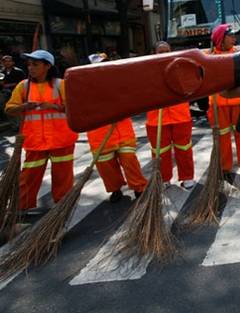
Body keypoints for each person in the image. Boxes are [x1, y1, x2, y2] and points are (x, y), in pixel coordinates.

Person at [4, 50, 79, 211]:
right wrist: (23, 106)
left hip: (61, 140)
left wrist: (54, 106)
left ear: (48, 66)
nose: (30, 68)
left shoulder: (61, 85)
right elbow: (9, 110)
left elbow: (74, 109)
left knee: (63, 179)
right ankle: (20, 210)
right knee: (28, 178)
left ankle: (62, 210)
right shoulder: (23, 86)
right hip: (35, 142)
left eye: (35, 64)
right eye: (29, 65)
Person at [83, 54, 147, 203]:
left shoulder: (119, 82)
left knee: (130, 160)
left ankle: (139, 187)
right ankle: (115, 189)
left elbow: (132, 101)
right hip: (100, 134)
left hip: (123, 131)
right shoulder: (85, 88)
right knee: (106, 166)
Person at [207, 23, 240, 180]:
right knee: (221, 137)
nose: (234, 38)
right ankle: (224, 167)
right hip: (218, 104)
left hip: (238, 100)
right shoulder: (208, 56)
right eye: (231, 36)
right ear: (220, 38)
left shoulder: (238, 53)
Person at [146, 41, 196, 189]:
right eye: (161, 52)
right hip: (157, 117)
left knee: (184, 148)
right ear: (154, 54)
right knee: (160, 151)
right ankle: (164, 178)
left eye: (168, 51)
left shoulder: (180, 67)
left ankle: (187, 176)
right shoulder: (148, 71)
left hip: (180, 114)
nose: (166, 54)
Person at [1, 55, 26, 132]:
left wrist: (12, 85)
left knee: (17, 107)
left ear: (13, 62)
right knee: (7, 107)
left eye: (9, 61)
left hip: (15, 92)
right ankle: (13, 124)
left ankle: (19, 124)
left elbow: (23, 82)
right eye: (6, 61)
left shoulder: (18, 72)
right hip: (3, 92)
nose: (8, 63)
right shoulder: (1, 72)